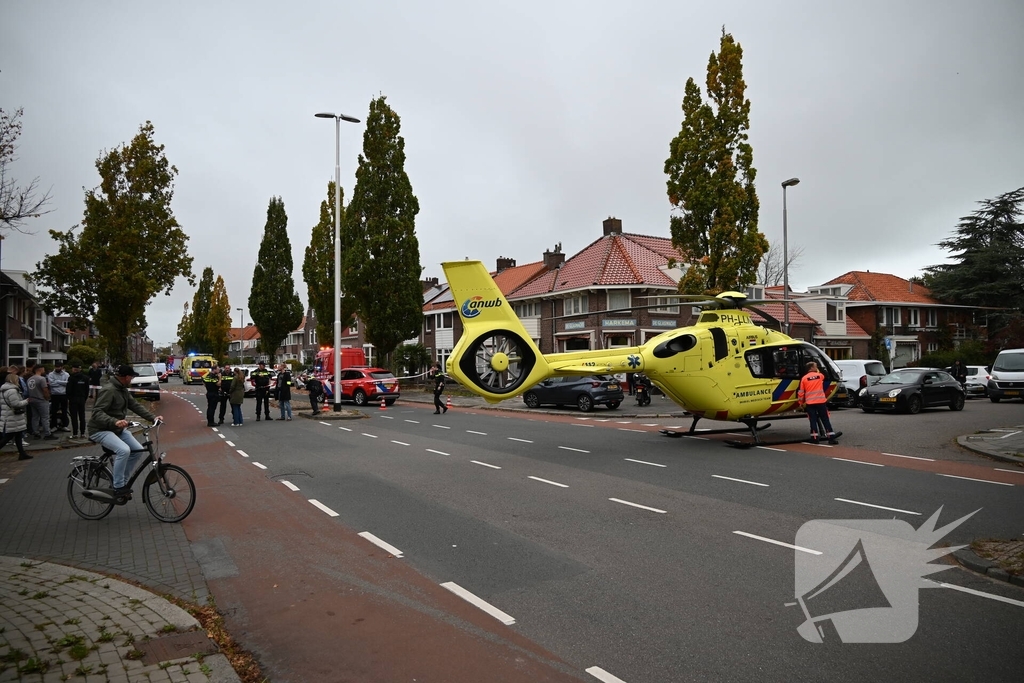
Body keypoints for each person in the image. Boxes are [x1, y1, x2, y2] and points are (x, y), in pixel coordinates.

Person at [88, 365, 162, 501]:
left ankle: (123, 482)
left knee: (138, 450)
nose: (132, 379)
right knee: (124, 450)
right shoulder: (109, 390)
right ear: (126, 377)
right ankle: (118, 487)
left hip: (117, 430)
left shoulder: (122, 389)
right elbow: (97, 412)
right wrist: (114, 421)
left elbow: (134, 405)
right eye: (132, 377)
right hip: (100, 429)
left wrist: (152, 418)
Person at [798, 361, 838, 445]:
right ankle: (831, 438)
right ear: (811, 368)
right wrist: (818, 371)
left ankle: (814, 438)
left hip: (810, 403)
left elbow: (801, 392)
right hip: (821, 402)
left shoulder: (804, 378)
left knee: (813, 420)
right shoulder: (820, 376)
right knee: (825, 419)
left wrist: (800, 403)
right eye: (815, 367)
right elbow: (823, 376)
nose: (817, 368)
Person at [0, 371, 32, 460]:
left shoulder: (3, 390)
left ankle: (22, 453)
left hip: (8, 415)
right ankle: (22, 453)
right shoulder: (12, 391)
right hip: (13, 416)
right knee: (9, 436)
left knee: (18, 435)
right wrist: (26, 401)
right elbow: (15, 404)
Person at [26, 365, 55, 440]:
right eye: (43, 369)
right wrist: (47, 397)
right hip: (41, 400)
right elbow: (45, 390)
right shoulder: (41, 379)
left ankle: (36, 433)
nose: (44, 370)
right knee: (45, 417)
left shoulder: (29, 379)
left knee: (35, 417)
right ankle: (47, 434)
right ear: (40, 369)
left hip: (32, 399)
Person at [66, 362, 91, 439]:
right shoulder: (86, 378)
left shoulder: (71, 378)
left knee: (74, 417)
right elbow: (87, 390)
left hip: (73, 399)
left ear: (73, 369)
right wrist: (84, 398)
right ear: (80, 369)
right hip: (82, 399)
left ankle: (75, 434)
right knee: (82, 416)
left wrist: (69, 398)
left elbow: (68, 390)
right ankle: (83, 433)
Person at [48, 361, 70, 432]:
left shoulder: (66, 374)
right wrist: (61, 383)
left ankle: (64, 425)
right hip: (54, 394)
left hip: (63, 394)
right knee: (53, 411)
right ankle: (54, 426)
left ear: (62, 367)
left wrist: (56, 381)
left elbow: (68, 383)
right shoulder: (51, 374)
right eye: (56, 367)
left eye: (59, 367)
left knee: (64, 410)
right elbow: (51, 384)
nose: (57, 368)